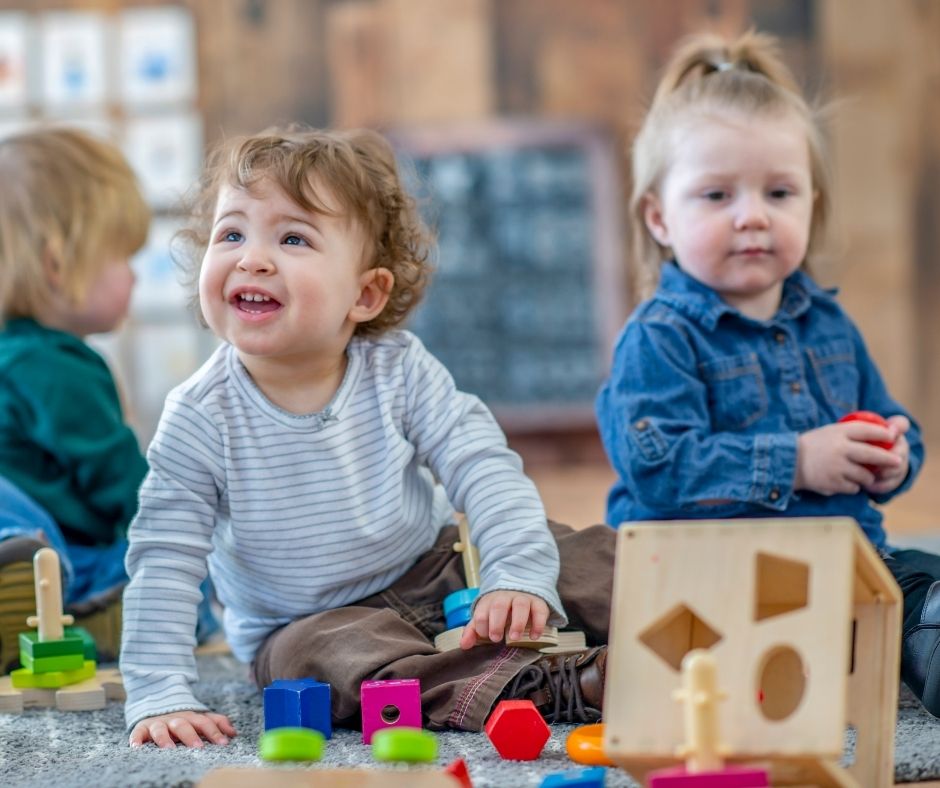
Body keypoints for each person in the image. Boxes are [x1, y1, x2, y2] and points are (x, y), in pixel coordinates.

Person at [121, 126, 616, 748]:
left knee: (593, 555)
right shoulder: (198, 415)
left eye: (293, 237)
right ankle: (558, 684)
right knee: (319, 665)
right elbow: (164, 560)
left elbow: (483, 467)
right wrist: (158, 690)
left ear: (365, 293)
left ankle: (691, 624)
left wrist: (515, 574)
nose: (251, 258)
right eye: (232, 233)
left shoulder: (400, 368)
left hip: (439, 566)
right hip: (307, 623)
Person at [595, 30, 939, 715]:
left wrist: (893, 456)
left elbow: (893, 422)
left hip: (843, 568)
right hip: (706, 579)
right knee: (662, 641)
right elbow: (654, 465)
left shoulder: (829, 325)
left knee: (920, 585)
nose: (752, 216)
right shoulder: (660, 337)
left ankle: (918, 644)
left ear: (813, 204)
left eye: (779, 193)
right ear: (660, 217)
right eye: (717, 196)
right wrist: (798, 462)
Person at [0, 127, 152, 670]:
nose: (134, 276)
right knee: (175, 582)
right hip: (65, 551)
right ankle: (72, 604)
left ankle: (28, 593)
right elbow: (122, 482)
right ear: (56, 262)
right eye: (121, 256)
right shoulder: (60, 366)